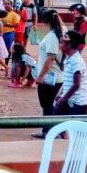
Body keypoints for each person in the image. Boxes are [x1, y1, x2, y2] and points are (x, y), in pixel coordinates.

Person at [31, 9, 67, 139]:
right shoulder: (63, 30)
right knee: (51, 104)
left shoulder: (52, 36)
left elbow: (51, 58)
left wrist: (40, 76)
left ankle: (49, 131)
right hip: (58, 76)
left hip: (49, 77)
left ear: (45, 21)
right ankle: (59, 130)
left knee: (46, 105)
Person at [53, 30, 87, 116]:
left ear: (68, 45)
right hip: (68, 100)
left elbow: (76, 84)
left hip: (77, 104)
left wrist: (63, 99)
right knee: (55, 125)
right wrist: (59, 95)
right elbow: (67, 81)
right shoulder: (69, 58)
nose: (59, 45)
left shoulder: (75, 61)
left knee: (72, 128)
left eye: (61, 43)